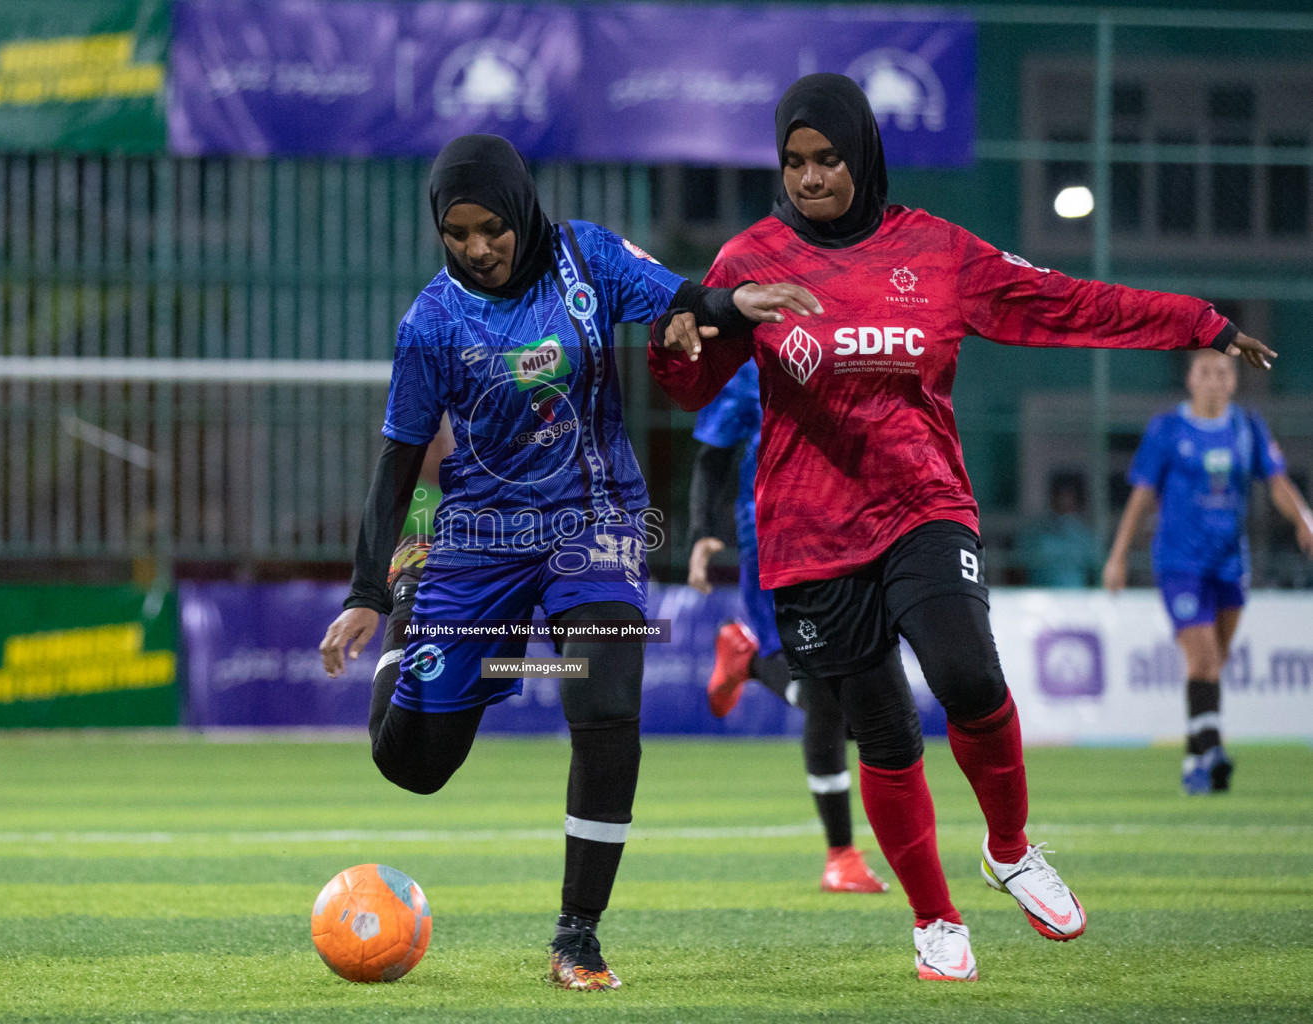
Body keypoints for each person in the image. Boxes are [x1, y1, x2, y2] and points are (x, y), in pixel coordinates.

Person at [648, 73, 1277, 982]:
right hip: (811, 535)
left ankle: (1011, 848)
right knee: (886, 732)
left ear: (863, 156)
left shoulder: (935, 252)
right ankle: (935, 919)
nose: (811, 177)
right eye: (794, 162)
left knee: (968, 673)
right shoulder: (750, 260)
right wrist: (680, 342)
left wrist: (1197, 324)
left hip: (923, 505)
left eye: (828, 159)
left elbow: (1069, 303)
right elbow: (696, 385)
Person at [318, 133, 819, 991]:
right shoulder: (430, 322)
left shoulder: (586, 257)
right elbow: (399, 459)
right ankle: (414, 592)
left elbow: (683, 298)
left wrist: (733, 303)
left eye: (492, 228)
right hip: (477, 541)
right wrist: (372, 590)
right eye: (458, 233)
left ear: (521, 207)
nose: (479, 248)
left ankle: (577, 938)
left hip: (598, 522)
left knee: (606, 702)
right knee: (413, 765)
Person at [687, 358, 887, 893]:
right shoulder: (749, 363)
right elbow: (713, 454)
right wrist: (703, 532)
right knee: (826, 701)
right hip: (773, 540)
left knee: (866, 715)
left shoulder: (861, 343)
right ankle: (842, 856)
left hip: (850, 535)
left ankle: (747, 660)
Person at [1104, 349, 1313, 794]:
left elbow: (1276, 481)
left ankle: (1196, 760)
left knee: (1214, 661)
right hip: (1179, 561)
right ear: (1191, 380)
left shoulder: (1246, 426)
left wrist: (1303, 520)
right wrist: (1118, 555)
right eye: (1206, 372)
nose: (1215, 380)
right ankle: (1213, 748)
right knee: (1202, 657)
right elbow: (1141, 497)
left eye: (1223, 372)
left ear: (1233, 382)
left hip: (1230, 561)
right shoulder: (1168, 429)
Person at [1016, 473, 1103, 587]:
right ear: (1053, 497)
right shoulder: (1035, 532)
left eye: (1069, 495)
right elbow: (1018, 568)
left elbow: (1097, 570)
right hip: (1041, 598)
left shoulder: (1085, 535)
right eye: (1061, 495)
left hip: (1078, 598)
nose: (1065, 500)